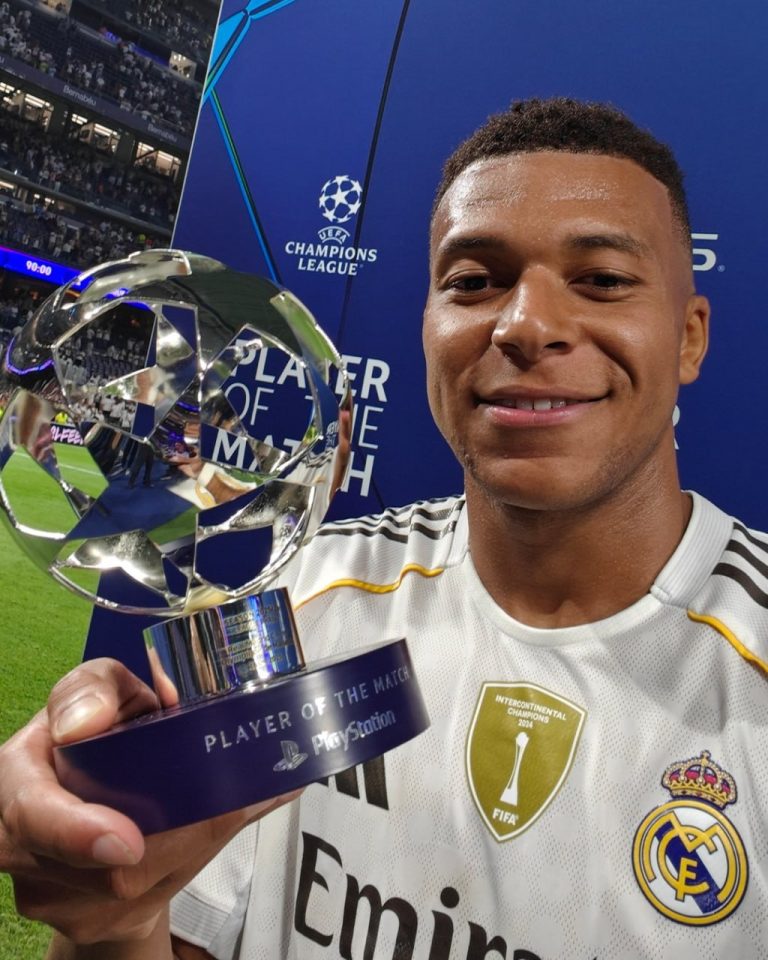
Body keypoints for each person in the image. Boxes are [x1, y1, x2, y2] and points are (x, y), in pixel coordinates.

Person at [2, 97, 768, 959]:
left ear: (689, 338)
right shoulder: (304, 602)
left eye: (602, 280)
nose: (527, 325)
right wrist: (119, 916)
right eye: (473, 282)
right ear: (427, 326)